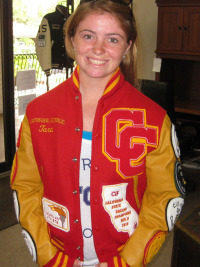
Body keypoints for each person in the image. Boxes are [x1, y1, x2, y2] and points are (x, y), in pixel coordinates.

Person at [10, 1, 185, 267]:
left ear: (127, 47)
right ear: (71, 39)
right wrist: (49, 255)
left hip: (124, 255)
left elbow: (164, 197)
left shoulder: (154, 118)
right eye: (88, 35)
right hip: (57, 255)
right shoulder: (38, 113)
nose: (98, 49)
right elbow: (25, 187)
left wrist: (127, 261)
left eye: (112, 39)